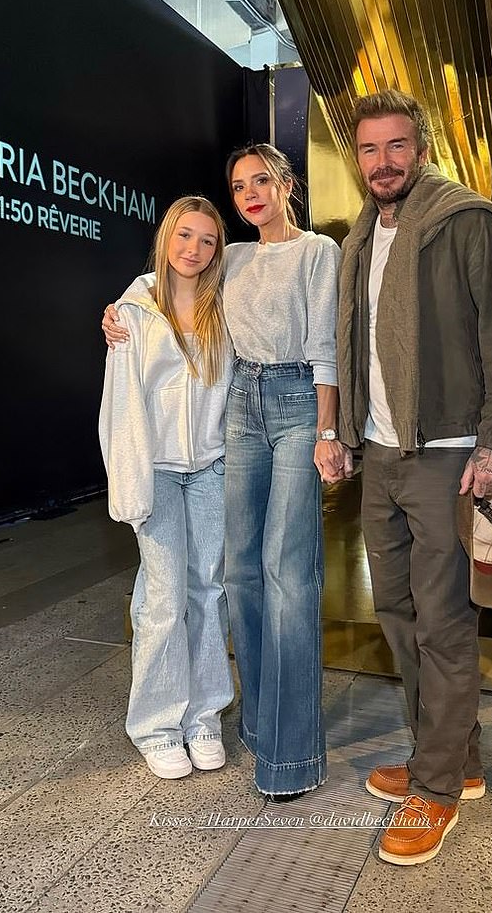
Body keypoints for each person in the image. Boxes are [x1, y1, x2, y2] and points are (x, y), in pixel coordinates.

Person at [103, 144, 348, 800]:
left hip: (294, 405)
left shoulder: (317, 251)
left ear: (288, 184)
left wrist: (329, 430)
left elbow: (326, 345)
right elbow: (158, 290)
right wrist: (116, 312)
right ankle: (217, 725)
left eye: (262, 180)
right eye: (239, 185)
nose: (250, 193)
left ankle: (283, 751)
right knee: (230, 576)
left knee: (283, 573)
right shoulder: (228, 262)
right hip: (239, 411)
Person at [336, 89, 492, 865]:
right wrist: (348, 431)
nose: (383, 162)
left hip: (453, 453)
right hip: (383, 453)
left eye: (396, 146)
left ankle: (436, 789)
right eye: (368, 149)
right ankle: (458, 758)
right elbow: (353, 344)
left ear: (419, 150)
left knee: (443, 623)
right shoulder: (362, 234)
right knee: (396, 609)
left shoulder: (466, 220)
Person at [99, 195, 234, 780]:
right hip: (155, 469)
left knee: (208, 589)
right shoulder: (130, 312)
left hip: (209, 467)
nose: (194, 249)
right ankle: (155, 725)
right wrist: (128, 486)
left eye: (206, 241)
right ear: (165, 237)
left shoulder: (223, 309)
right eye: (185, 236)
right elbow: (119, 406)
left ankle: (203, 715)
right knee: (162, 597)